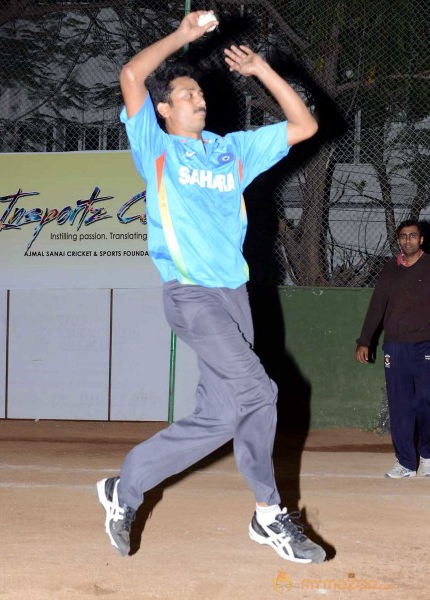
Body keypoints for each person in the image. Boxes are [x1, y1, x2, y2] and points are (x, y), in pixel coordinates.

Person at [96, 10, 326, 563]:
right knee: (260, 391)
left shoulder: (232, 151)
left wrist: (263, 70)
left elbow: (304, 127)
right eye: (184, 91)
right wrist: (183, 37)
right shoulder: (155, 145)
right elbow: (131, 76)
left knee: (223, 416)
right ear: (164, 109)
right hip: (190, 293)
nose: (196, 96)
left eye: (199, 90)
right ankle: (269, 514)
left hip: (233, 297)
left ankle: (123, 488)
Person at [355, 219, 430, 479]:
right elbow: (377, 305)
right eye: (403, 236)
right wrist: (365, 340)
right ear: (399, 240)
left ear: (421, 240)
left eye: (412, 236)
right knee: (400, 404)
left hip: (425, 344)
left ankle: (428, 456)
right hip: (395, 345)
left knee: (426, 400)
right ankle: (406, 463)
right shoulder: (390, 269)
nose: (407, 240)